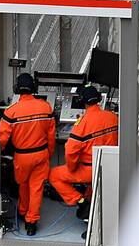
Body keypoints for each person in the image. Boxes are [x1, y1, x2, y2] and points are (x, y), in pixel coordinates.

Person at [0, 72, 56, 236]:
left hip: (22, 157)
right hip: (41, 154)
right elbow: (51, 136)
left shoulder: (11, 112)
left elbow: (2, 138)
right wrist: (49, 153)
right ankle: (31, 223)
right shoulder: (46, 107)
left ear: (16, 89)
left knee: (23, 184)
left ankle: (23, 211)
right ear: (34, 88)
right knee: (36, 188)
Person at [49, 86, 119, 218]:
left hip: (89, 170)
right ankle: (90, 201)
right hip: (109, 165)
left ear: (82, 101)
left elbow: (70, 151)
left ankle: (81, 202)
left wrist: (72, 167)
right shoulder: (113, 117)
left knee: (53, 175)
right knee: (92, 185)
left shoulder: (82, 123)